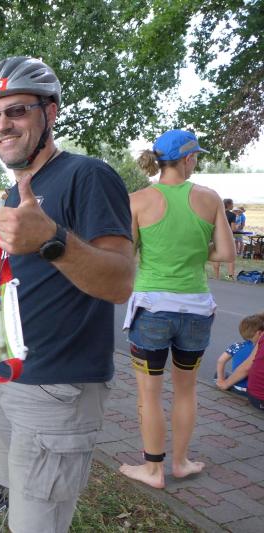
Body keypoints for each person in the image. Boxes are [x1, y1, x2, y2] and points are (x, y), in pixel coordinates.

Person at [0, 56, 136, 533]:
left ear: (50, 112)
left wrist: (52, 240)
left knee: (36, 523)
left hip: (58, 389)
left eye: (17, 110)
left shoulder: (88, 176)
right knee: (15, 500)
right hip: (12, 374)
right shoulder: (16, 192)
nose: (2, 124)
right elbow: (24, 282)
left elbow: (121, 281)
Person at [118, 129, 235, 490]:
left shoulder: (137, 200)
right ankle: (181, 463)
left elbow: (126, 254)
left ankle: (153, 470)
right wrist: (196, 252)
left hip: (151, 308)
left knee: (149, 394)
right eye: (195, 156)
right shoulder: (210, 198)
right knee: (186, 391)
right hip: (197, 309)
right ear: (187, 159)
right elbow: (226, 253)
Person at [216, 314, 264, 394]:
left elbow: (221, 361)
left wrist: (220, 379)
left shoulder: (237, 346)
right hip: (253, 389)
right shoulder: (260, 348)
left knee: (219, 375)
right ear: (259, 333)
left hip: (237, 387)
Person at [212, 198, 237, 279]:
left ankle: (216, 276)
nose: (233, 206)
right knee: (230, 258)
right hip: (227, 238)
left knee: (216, 256)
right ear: (229, 205)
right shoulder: (232, 215)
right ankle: (230, 276)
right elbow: (233, 229)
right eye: (232, 204)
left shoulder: (216, 213)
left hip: (216, 237)